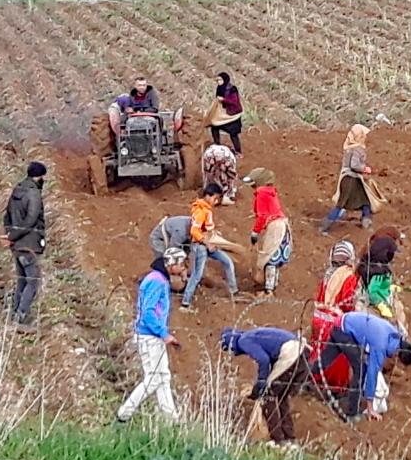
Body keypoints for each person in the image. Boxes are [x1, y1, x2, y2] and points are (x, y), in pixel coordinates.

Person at [116, 247, 187, 424]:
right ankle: (124, 414)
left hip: (151, 335)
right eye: (181, 264)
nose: (184, 268)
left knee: (163, 377)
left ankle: (172, 420)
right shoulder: (157, 282)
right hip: (149, 336)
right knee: (154, 378)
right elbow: (148, 312)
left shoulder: (157, 278)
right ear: (172, 264)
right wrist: (163, 334)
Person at [311, 312, 411, 421]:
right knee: (361, 370)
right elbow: (372, 374)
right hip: (344, 330)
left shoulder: (394, 336)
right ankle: (352, 414)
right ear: (398, 356)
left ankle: (302, 377)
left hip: (342, 324)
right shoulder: (381, 345)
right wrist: (370, 407)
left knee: (324, 362)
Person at [220, 327, 310, 444]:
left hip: (290, 356)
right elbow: (272, 361)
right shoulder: (255, 335)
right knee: (281, 397)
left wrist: (260, 386)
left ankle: (278, 439)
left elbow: (264, 360)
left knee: (268, 396)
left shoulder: (244, 340)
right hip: (303, 353)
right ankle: (290, 438)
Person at [0, 161, 47, 333]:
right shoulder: (33, 194)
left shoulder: (17, 190)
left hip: (18, 247)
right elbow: (31, 219)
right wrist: (15, 236)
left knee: (22, 280)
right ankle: (21, 317)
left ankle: (14, 315)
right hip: (29, 245)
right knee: (33, 281)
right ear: (39, 176)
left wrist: (11, 235)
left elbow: (6, 217)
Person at [310, 240, 359, 396]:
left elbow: (318, 298)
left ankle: (314, 380)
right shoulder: (349, 276)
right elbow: (348, 303)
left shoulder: (328, 274)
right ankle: (335, 388)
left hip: (319, 318)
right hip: (335, 323)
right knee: (339, 357)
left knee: (318, 351)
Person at [181, 183, 238, 311]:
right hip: (200, 246)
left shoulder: (206, 210)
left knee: (227, 261)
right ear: (208, 196)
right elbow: (194, 232)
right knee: (197, 274)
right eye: (215, 198)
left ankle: (234, 292)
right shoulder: (200, 211)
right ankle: (185, 302)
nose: (216, 202)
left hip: (208, 244)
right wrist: (207, 243)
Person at [244, 168, 292, 296]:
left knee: (269, 258)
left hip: (275, 227)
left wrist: (255, 232)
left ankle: (268, 291)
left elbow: (262, 216)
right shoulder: (271, 193)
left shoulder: (261, 194)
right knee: (275, 257)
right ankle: (272, 286)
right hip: (282, 224)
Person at [322, 124, 375, 233]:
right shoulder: (357, 149)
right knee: (341, 204)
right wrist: (365, 169)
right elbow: (354, 165)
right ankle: (324, 226)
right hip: (351, 180)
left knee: (366, 200)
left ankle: (366, 222)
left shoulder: (349, 147)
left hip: (350, 179)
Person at [357, 227, 408, 334]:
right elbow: (373, 291)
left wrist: (390, 287)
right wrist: (381, 306)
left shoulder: (371, 265)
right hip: (375, 308)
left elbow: (381, 286)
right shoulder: (377, 272)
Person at [212, 72, 244, 158]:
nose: (218, 82)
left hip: (233, 115)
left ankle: (238, 152)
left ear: (224, 80)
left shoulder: (232, 89)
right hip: (224, 115)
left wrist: (224, 100)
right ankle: (217, 146)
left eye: (220, 80)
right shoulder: (219, 89)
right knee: (214, 126)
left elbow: (234, 102)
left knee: (233, 134)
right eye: (217, 80)